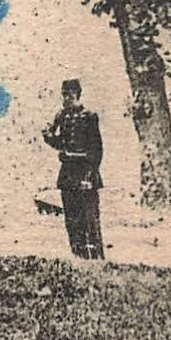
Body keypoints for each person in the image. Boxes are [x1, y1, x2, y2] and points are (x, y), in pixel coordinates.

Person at [42, 78, 104, 260]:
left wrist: (89, 174)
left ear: (77, 95)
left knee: (89, 219)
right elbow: (60, 143)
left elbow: (96, 150)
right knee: (71, 218)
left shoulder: (89, 116)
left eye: (68, 95)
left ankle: (96, 257)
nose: (65, 99)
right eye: (63, 95)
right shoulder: (62, 116)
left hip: (85, 174)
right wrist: (47, 136)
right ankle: (77, 255)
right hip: (67, 175)